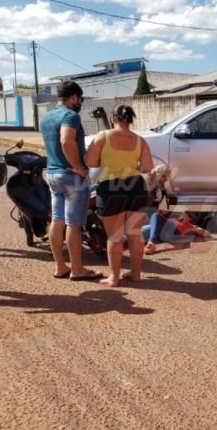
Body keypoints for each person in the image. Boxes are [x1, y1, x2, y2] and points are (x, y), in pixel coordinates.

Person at [41, 81, 103, 281]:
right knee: (73, 225)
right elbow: (66, 140)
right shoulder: (70, 115)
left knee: (57, 221)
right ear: (74, 97)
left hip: (52, 174)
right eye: (79, 98)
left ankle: (60, 266)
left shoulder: (47, 117)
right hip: (70, 177)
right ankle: (77, 269)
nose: (79, 103)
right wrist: (79, 168)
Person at [86, 104, 153, 287]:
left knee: (114, 236)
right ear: (130, 120)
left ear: (112, 118)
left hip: (111, 188)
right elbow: (148, 167)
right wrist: (134, 165)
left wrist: (106, 159)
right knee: (135, 234)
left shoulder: (103, 137)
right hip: (135, 187)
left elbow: (91, 162)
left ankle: (114, 277)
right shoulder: (140, 140)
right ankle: (137, 274)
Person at [141, 211, 211, 255]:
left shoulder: (190, 225)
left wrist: (193, 229)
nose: (188, 216)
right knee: (145, 229)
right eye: (187, 213)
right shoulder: (172, 219)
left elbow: (207, 234)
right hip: (156, 231)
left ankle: (151, 242)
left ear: (191, 219)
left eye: (190, 216)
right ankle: (147, 242)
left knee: (155, 215)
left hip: (172, 232)